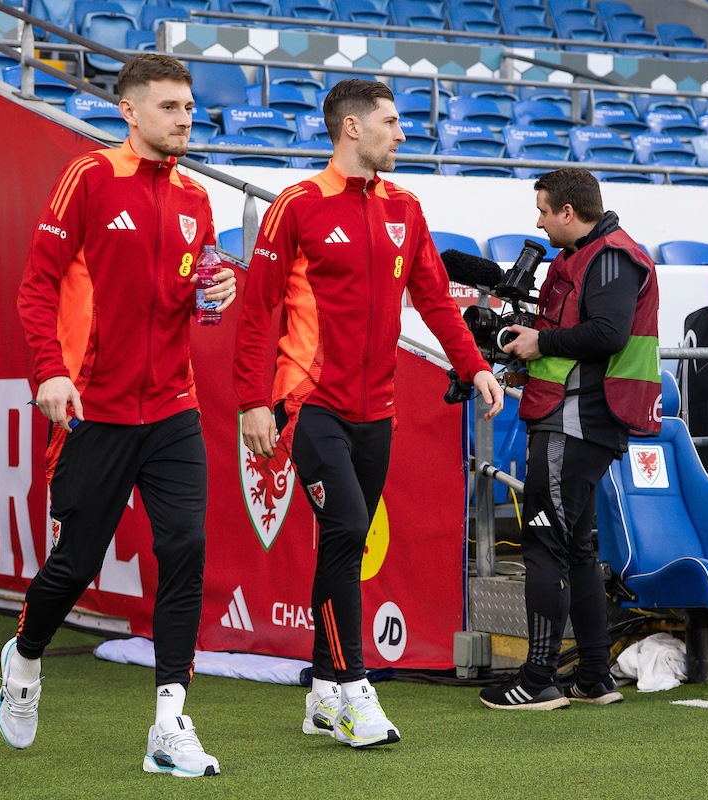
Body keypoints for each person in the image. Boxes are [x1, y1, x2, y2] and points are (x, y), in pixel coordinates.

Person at [233, 78, 503, 748]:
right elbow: (257, 310)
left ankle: (322, 694)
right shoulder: (297, 205)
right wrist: (251, 402)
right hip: (310, 404)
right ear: (352, 127)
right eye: (390, 121)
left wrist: (474, 365)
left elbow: (435, 299)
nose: (402, 133)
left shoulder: (405, 207)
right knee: (349, 527)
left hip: (377, 411)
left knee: (342, 545)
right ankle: (355, 688)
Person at [2, 53, 236, 778]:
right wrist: (50, 372)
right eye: (169, 107)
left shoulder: (196, 196)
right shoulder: (90, 177)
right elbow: (37, 287)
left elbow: (192, 290)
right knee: (74, 566)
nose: (185, 119)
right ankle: (25, 658)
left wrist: (215, 291)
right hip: (95, 410)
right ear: (129, 111)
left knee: (186, 550)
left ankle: (169, 722)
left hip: (173, 408)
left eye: (189, 107)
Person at [478, 167, 660, 711]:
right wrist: (532, 345)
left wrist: (540, 342)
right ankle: (594, 676)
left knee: (544, 545)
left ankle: (537, 679)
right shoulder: (590, 254)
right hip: (574, 419)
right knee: (576, 548)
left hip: (576, 420)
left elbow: (608, 333)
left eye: (542, 211)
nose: (538, 222)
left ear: (568, 211)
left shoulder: (611, 256)